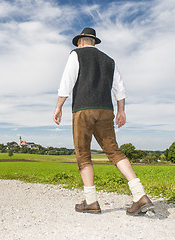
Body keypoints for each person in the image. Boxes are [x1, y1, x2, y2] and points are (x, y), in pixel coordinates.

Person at [53, 27, 153, 215]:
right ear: (93, 41)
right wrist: (121, 111)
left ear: (81, 41)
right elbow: (120, 88)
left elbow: (67, 81)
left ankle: (91, 201)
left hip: (83, 109)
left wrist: (59, 106)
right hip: (106, 110)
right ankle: (140, 195)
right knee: (114, 151)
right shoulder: (109, 61)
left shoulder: (76, 54)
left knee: (83, 154)